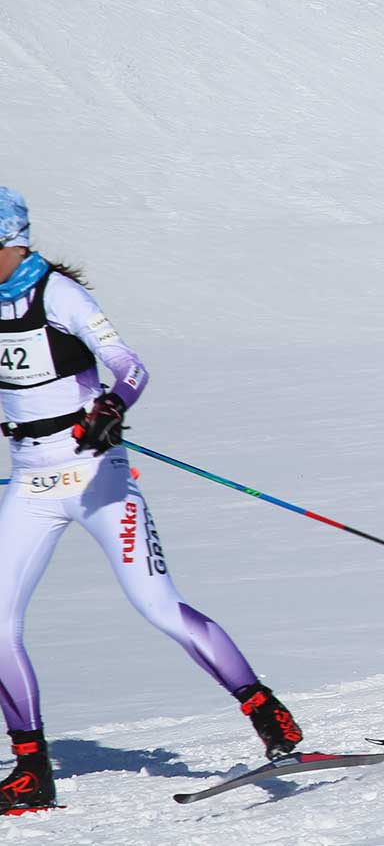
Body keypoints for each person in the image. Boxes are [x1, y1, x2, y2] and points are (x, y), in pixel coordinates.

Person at [0, 188, 302, 814]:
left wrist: (112, 406)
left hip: (95, 476)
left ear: (9, 241)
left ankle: (263, 707)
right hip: (30, 482)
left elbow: (128, 364)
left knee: (158, 607)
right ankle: (32, 769)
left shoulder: (58, 294)